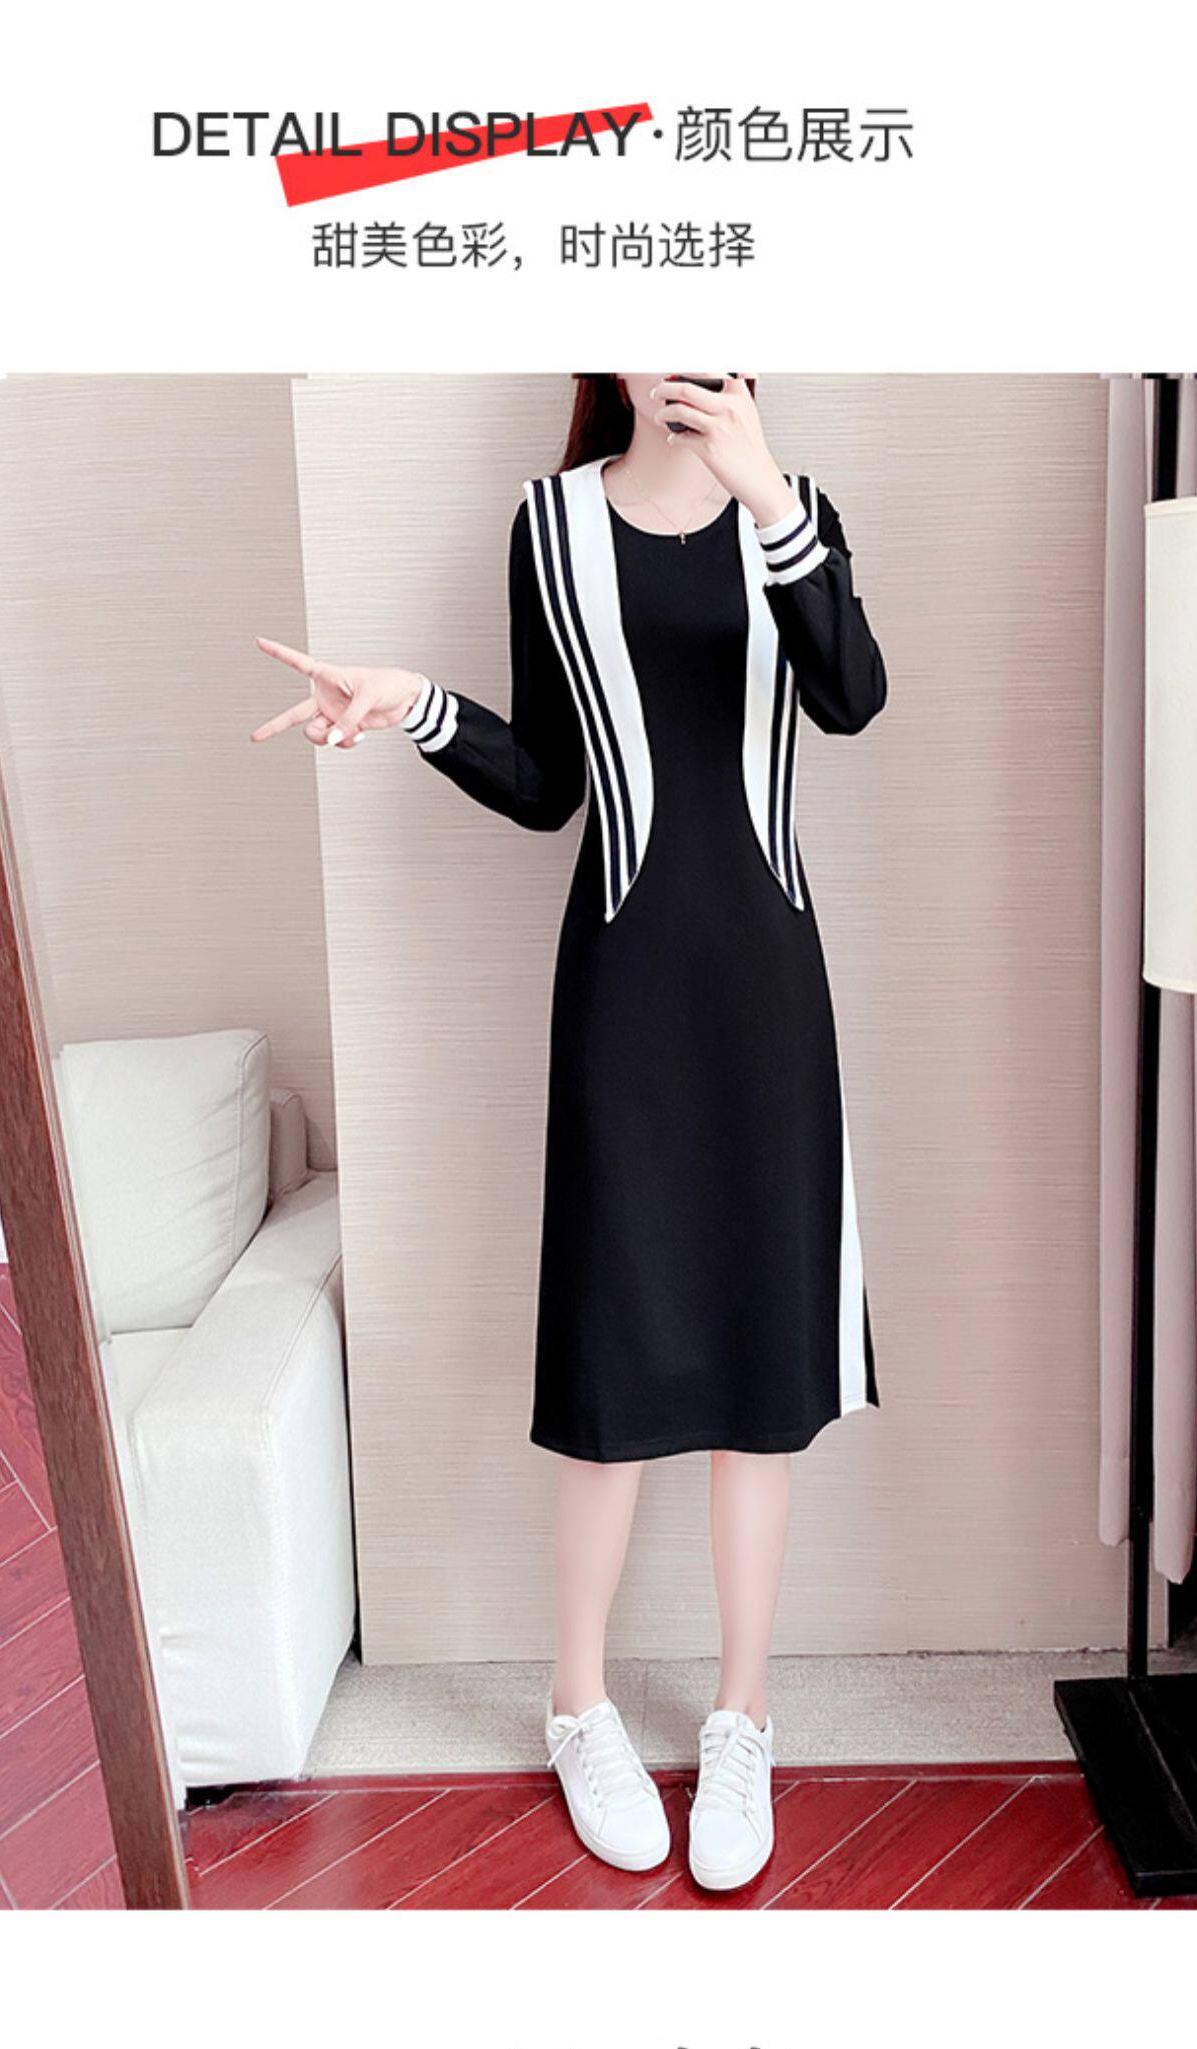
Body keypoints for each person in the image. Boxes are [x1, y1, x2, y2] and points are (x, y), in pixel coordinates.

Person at [253, 374, 887, 1892]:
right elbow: (549, 787)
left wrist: (768, 497)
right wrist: (420, 708)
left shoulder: (795, 514)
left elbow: (853, 695)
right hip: (622, 992)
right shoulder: (548, 524)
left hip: (768, 999)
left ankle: (743, 1718)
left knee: (760, 1377)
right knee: (615, 1355)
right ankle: (579, 1703)